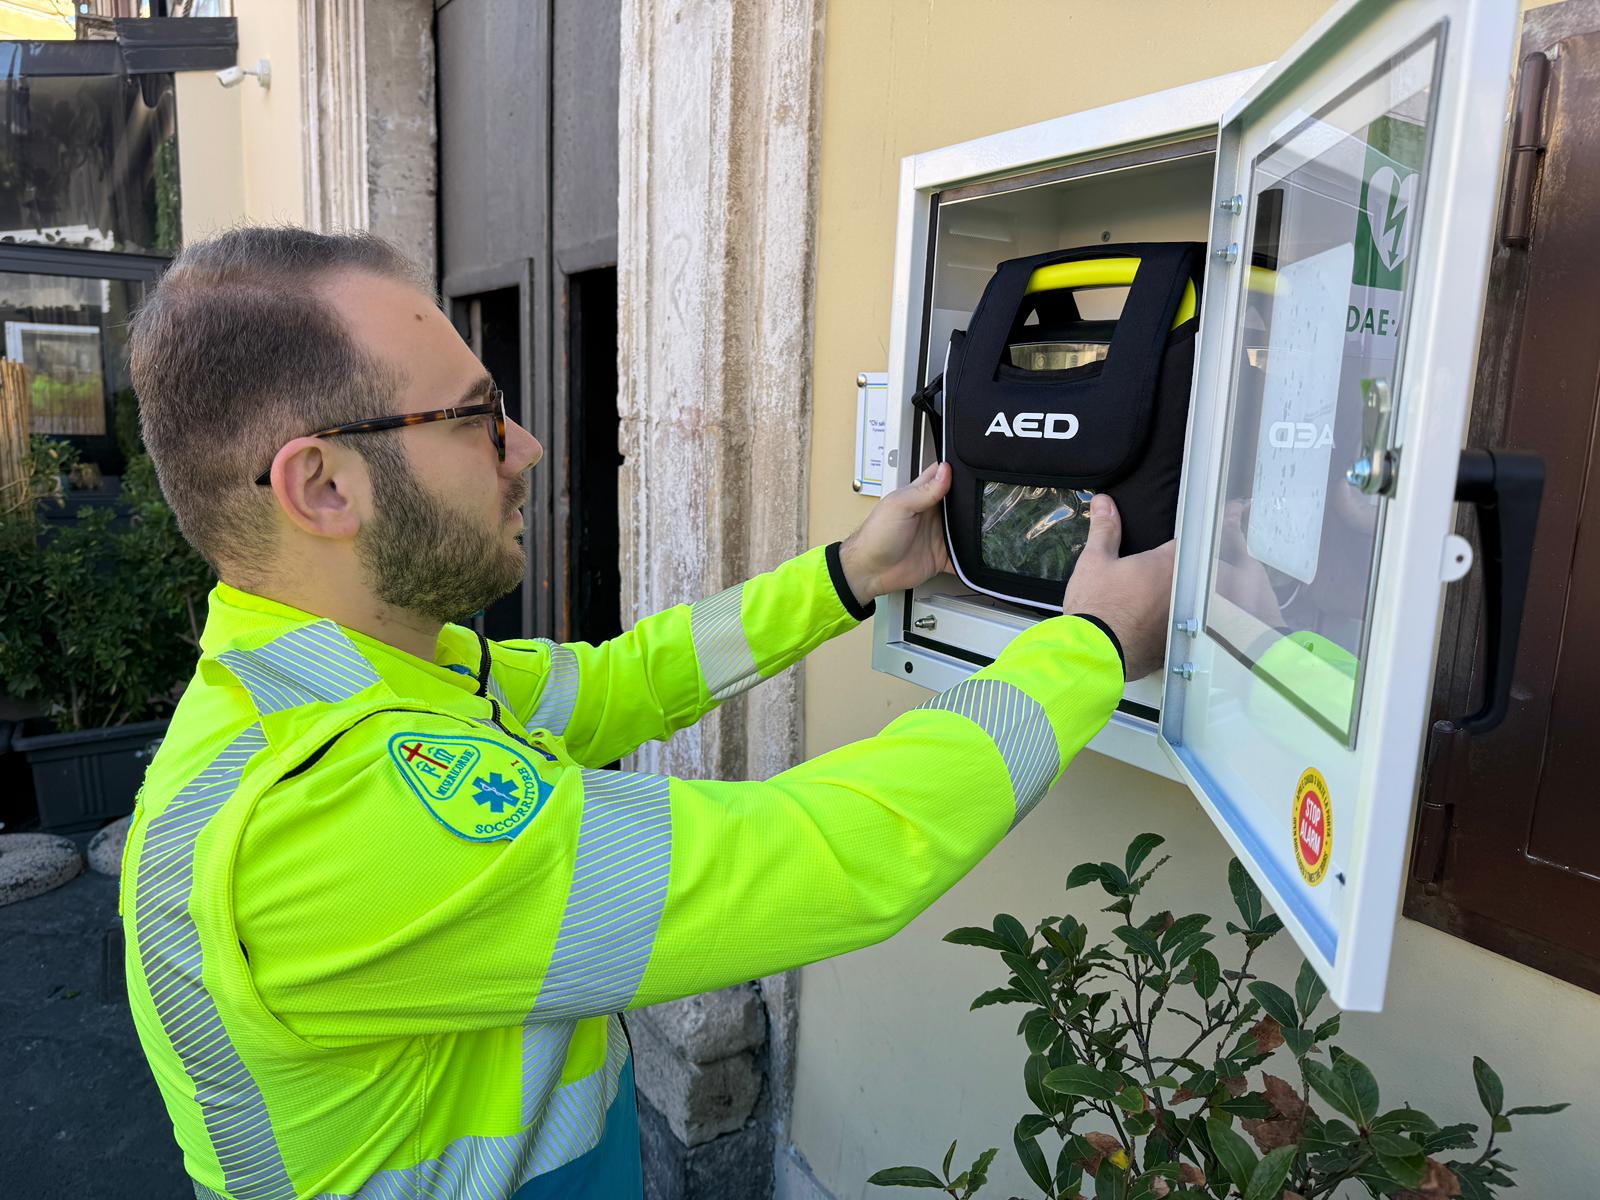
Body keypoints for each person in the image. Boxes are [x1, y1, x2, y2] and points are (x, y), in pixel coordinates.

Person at [121, 227, 1175, 1200]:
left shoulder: (363, 673)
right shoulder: (323, 819)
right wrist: (1087, 649)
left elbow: (625, 681)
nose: (525, 447)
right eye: (476, 418)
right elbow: (827, 858)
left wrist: (849, 575)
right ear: (324, 488)